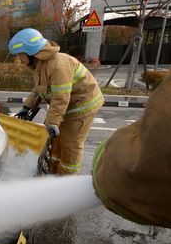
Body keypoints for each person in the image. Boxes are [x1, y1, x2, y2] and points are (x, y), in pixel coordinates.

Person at [92, 57, 171, 229]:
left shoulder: (58, 65)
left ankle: (67, 172)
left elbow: (142, 174)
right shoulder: (43, 64)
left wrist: (106, 161)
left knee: (74, 144)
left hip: (84, 104)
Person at [9, 28, 103, 175]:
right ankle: (53, 173)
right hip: (68, 105)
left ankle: (67, 180)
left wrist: (53, 122)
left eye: (20, 54)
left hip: (82, 106)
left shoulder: (59, 65)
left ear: (30, 52)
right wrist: (27, 107)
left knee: (71, 144)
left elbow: (61, 97)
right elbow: (39, 89)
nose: (19, 59)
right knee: (56, 140)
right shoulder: (40, 65)